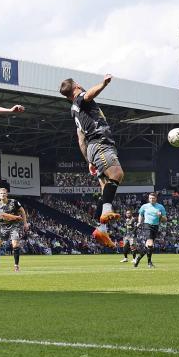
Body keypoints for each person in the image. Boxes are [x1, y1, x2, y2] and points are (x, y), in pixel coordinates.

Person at [59, 74, 124, 248]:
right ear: (75, 88)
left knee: (105, 188)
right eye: (77, 84)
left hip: (93, 148)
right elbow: (89, 95)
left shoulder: (75, 111)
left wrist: (89, 160)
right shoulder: (81, 98)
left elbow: (80, 139)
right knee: (117, 173)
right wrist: (104, 83)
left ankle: (101, 229)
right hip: (100, 143)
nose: (80, 85)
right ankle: (107, 211)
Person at [0, 185, 29, 271]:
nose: (3, 194)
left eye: (4, 193)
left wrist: (25, 223)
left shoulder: (14, 202)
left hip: (14, 226)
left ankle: (16, 266)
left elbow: (22, 211)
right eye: (1, 193)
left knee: (15, 244)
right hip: (3, 227)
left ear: (7, 194)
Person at [134, 191, 167, 268]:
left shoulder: (160, 207)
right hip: (147, 225)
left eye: (153, 198)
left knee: (148, 246)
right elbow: (140, 214)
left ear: (156, 198)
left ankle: (138, 259)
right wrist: (139, 222)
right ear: (148, 199)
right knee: (150, 244)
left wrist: (161, 216)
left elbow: (165, 219)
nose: (152, 199)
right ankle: (149, 263)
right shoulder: (144, 206)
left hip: (155, 226)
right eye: (150, 198)